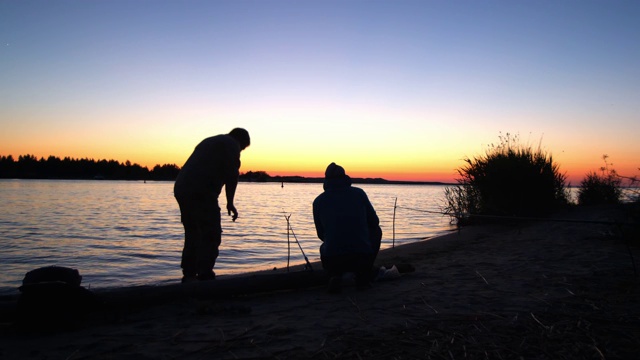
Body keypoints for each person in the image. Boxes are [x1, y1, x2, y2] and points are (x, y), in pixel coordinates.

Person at [174, 128, 250, 282]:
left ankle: (188, 274)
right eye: (243, 148)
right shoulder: (231, 144)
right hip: (201, 191)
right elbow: (232, 175)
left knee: (193, 232)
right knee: (211, 232)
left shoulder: (211, 141)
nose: (241, 151)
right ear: (241, 141)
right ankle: (205, 274)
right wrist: (230, 202)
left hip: (182, 188)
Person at [312, 162, 382, 293]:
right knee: (376, 231)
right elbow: (374, 222)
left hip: (333, 260)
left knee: (325, 245)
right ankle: (363, 273)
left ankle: (335, 275)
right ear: (345, 177)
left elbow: (321, 234)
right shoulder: (359, 194)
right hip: (361, 257)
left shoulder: (318, 201)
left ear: (326, 180)